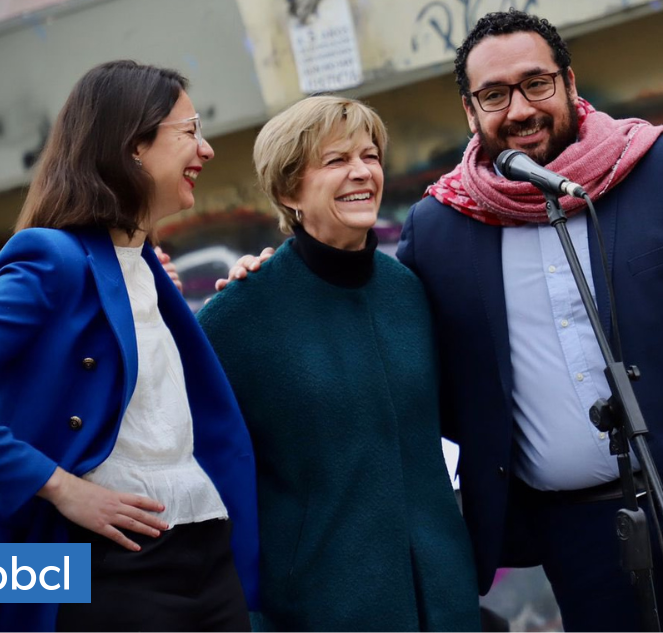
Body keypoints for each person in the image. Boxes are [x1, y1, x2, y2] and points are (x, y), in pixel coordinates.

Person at [221, 11, 663, 632]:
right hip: (582, 541)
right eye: (494, 95)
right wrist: (272, 275)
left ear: (569, 82)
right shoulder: (439, 229)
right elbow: (379, 326)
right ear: (470, 112)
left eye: (536, 83)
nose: (519, 108)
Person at [0, 60, 259, 632]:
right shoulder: (51, 258)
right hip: (109, 567)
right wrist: (62, 489)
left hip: (207, 556)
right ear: (133, 146)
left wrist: (259, 290)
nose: (206, 149)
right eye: (190, 131)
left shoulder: (145, 269)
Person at [196, 95, 480, 632]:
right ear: (289, 192)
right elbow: (210, 481)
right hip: (320, 612)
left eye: (369, 156)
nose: (362, 172)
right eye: (336, 160)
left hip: (446, 603)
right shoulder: (236, 318)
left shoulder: (408, 292)